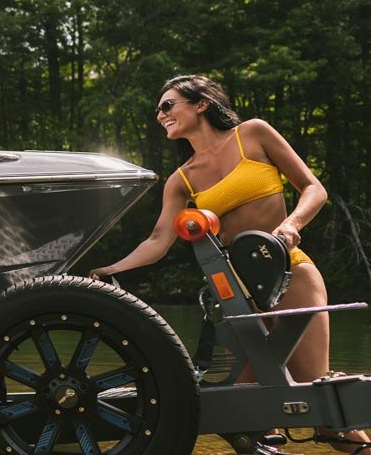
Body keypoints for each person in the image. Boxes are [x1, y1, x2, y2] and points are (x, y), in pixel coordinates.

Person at [89, 74, 370, 452]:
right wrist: (110, 270)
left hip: (290, 277)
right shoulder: (182, 179)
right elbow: (157, 241)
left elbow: (313, 188)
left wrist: (292, 224)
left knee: (319, 409)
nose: (161, 115)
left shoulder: (253, 134)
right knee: (246, 417)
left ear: (201, 103)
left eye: (168, 105)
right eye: (158, 111)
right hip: (236, 298)